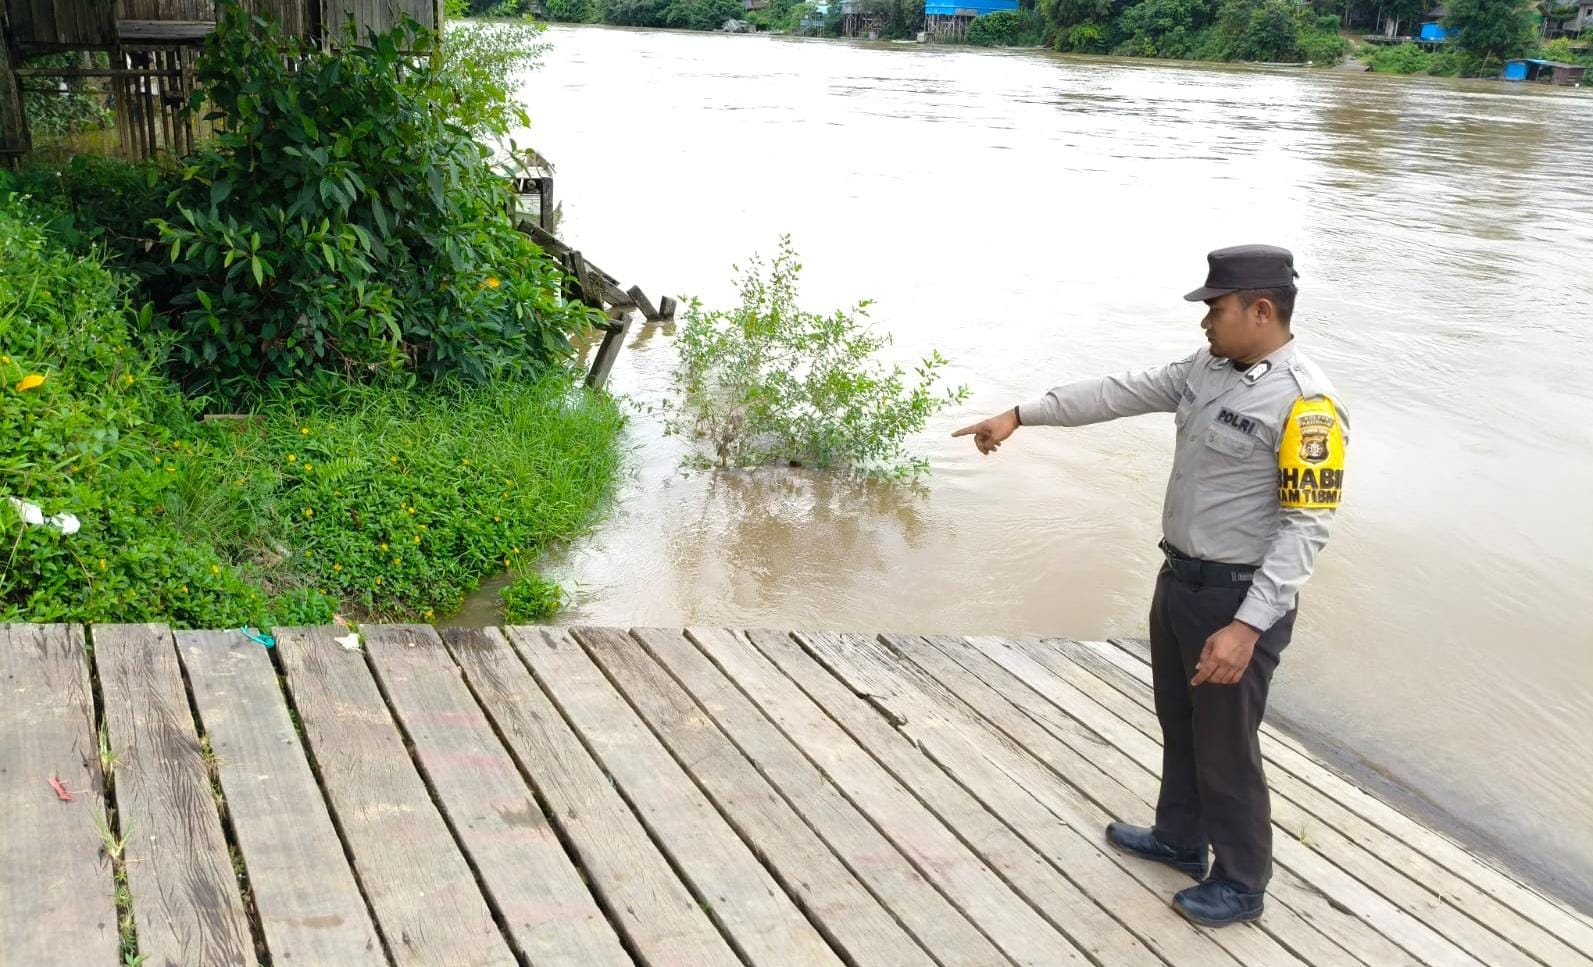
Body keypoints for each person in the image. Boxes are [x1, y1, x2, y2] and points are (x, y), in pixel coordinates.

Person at [952, 244, 1348, 928]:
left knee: (1227, 743)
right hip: (1181, 581)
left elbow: (1304, 529)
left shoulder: (1306, 406)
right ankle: (1179, 837)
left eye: (1215, 308)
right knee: (1180, 720)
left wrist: (1246, 626)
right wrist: (1021, 412)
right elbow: (1116, 392)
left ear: (1260, 310)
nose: (1204, 321)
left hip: (1236, 600)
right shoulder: (1205, 369)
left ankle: (1242, 880)